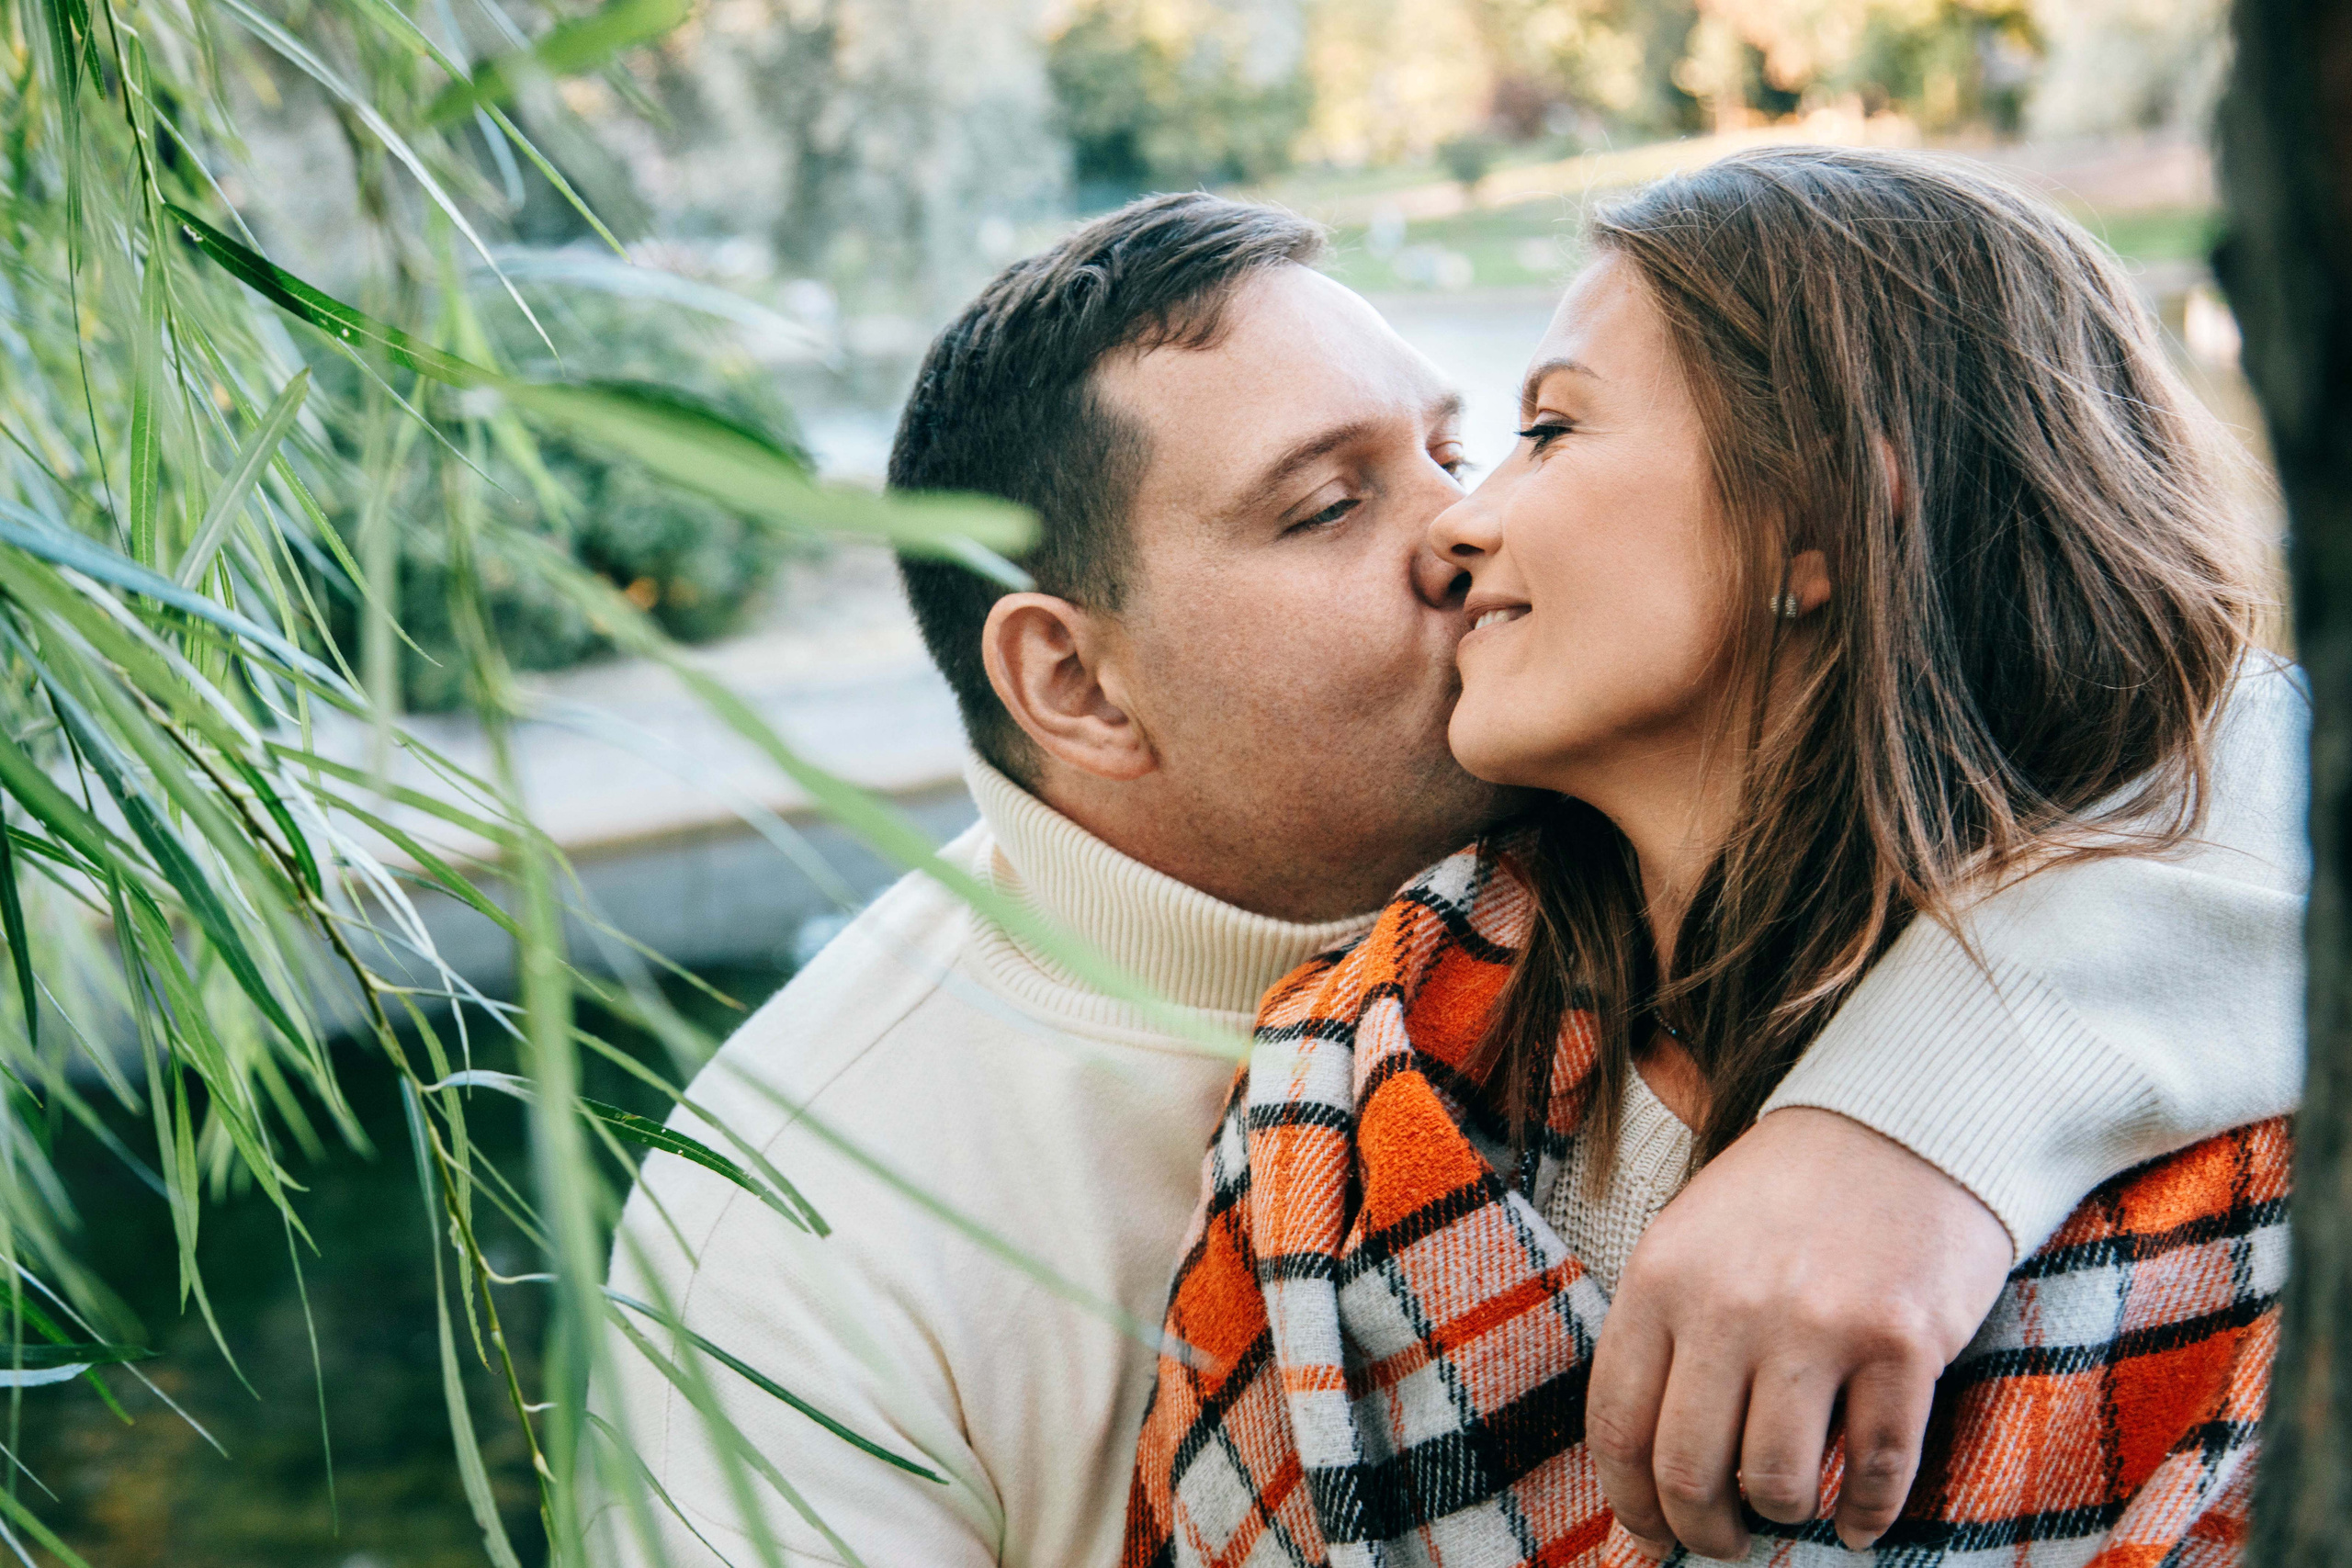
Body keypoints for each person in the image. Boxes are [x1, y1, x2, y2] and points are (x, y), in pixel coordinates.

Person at [586, 190, 2304, 1568]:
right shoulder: (799, 1227)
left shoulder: (1638, 841)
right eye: (1328, 506)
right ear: (1078, 688)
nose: (1461, 524)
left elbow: (2227, 765)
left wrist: (1913, 1120)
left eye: (1471, 440)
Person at [1126, 149, 2300, 1567]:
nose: (1457, 522)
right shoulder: (1341, 1084)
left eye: (1549, 430)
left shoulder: (2240, 1181)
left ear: (1814, 522)